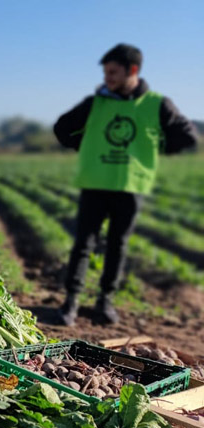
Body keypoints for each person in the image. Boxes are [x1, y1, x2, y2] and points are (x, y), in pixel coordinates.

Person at [54, 43, 198, 326]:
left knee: (117, 246)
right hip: (95, 182)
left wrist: (157, 148)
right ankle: (70, 304)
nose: (107, 77)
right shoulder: (95, 103)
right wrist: (84, 145)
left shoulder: (157, 104)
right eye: (105, 72)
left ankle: (104, 304)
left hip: (131, 186)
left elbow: (187, 135)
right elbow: (62, 127)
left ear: (132, 70)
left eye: (113, 72)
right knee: (84, 243)